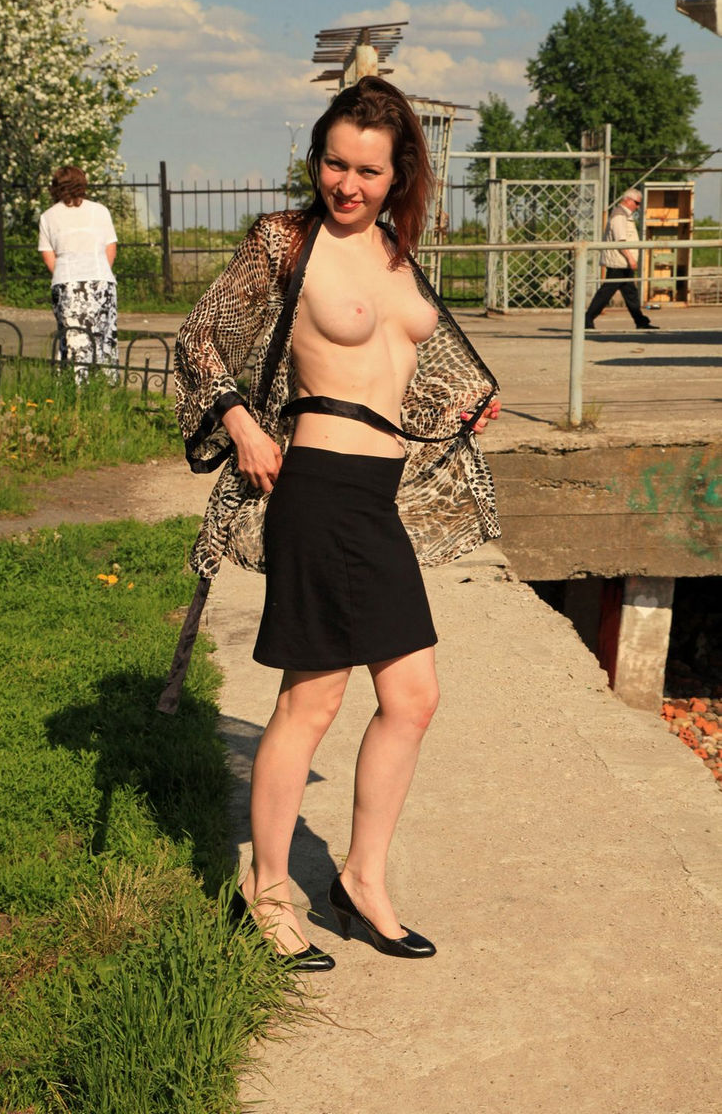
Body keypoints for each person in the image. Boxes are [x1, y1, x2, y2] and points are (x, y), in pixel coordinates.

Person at [174, 76, 500, 971]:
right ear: (316, 157)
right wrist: (242, 424)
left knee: (413, 698)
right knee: (312, 699)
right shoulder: (286, 241)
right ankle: (268, 890)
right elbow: (199, 337)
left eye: (367, 170)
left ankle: (360, 880)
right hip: (317, 492)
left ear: (399, 177)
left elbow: (403, 363)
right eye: (333, 163)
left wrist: (462, 406)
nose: (346, 184)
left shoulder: (398, 251)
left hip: (375, 499)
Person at [38, 166, 119, 381]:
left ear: (56, 187)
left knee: (73, 337)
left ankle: (75, 383)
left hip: (67, 282)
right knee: (103, 336)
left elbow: (48, 255)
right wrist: (98, 270)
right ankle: (105, 382)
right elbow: (110, 248)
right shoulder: (100, 211)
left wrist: (65, 273)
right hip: (101, 280)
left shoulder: (48, 217)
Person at [584, 188, 658, 330]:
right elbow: (620, 241)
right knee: (606, 292)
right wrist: (631, 259)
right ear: (627, 200)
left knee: (630, 293)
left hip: (622, 262)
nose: (638, 206)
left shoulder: (624, 215)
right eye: (636, 203)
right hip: (619, 262)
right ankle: (587, 319)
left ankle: (641, 321)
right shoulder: (619, 216)